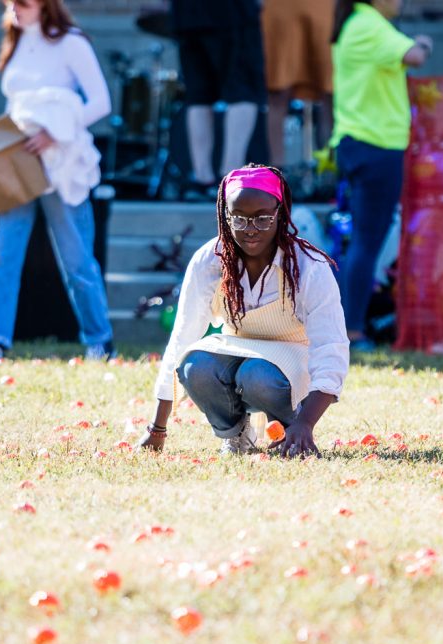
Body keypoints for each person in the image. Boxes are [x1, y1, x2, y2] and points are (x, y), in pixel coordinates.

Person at [138, 165, 349, 456]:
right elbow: (182, 337)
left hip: (292, 357)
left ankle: (289, 428)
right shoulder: (209, 261)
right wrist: (157, 428)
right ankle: (236, 434)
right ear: (225, 215)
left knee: (256, 375)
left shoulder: (309, 266)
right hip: (237, 347)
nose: (251, 229)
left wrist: (306, 423)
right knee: (193, 364)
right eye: (240, 218)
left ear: (281, 213)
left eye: (263, 218)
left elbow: (331, 347)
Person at [0, 0, 115, 361]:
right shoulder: (14, 38)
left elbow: (100, 103)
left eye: (23, 3)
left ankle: (99, 340)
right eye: (10, 3)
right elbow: (18, 109)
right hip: (17, 165)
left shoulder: (71, 42)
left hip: (62, 164)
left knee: (76, 260)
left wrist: (54, 133)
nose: (15, 9)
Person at [330, 0, 432, 351]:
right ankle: (352, 332)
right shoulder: (368, 25)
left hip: (365, 145)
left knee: (363, 241)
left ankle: (349, 326)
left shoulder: (360, 23)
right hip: (374, 146)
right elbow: (414, 56)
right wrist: (423, 42)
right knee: (366, 242)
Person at [169, 0, 266, 200]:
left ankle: (200, 178)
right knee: (243, 90)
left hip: (187, 14)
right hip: (231, 12)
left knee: (198, 95)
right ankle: (230, 178)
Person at [261, 0, 335, 170]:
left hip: (323, 8)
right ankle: (277, 171)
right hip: (280, 9)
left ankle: (331, 169)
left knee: (329, 89)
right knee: (278, 89)